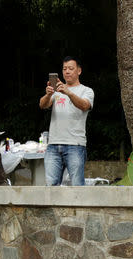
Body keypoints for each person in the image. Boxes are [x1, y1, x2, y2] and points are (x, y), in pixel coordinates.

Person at [39, 56, 94, 186]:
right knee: (51, 187)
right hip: (53, 145)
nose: (67, 71)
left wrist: (68, 93)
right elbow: (42, 105)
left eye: (71, 68)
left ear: (79, 71)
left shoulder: (86, 90)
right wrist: (48, 94)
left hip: (75, 145)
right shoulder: (56, 91)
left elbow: (85, 105)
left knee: (77, 186)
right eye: (64, 69)